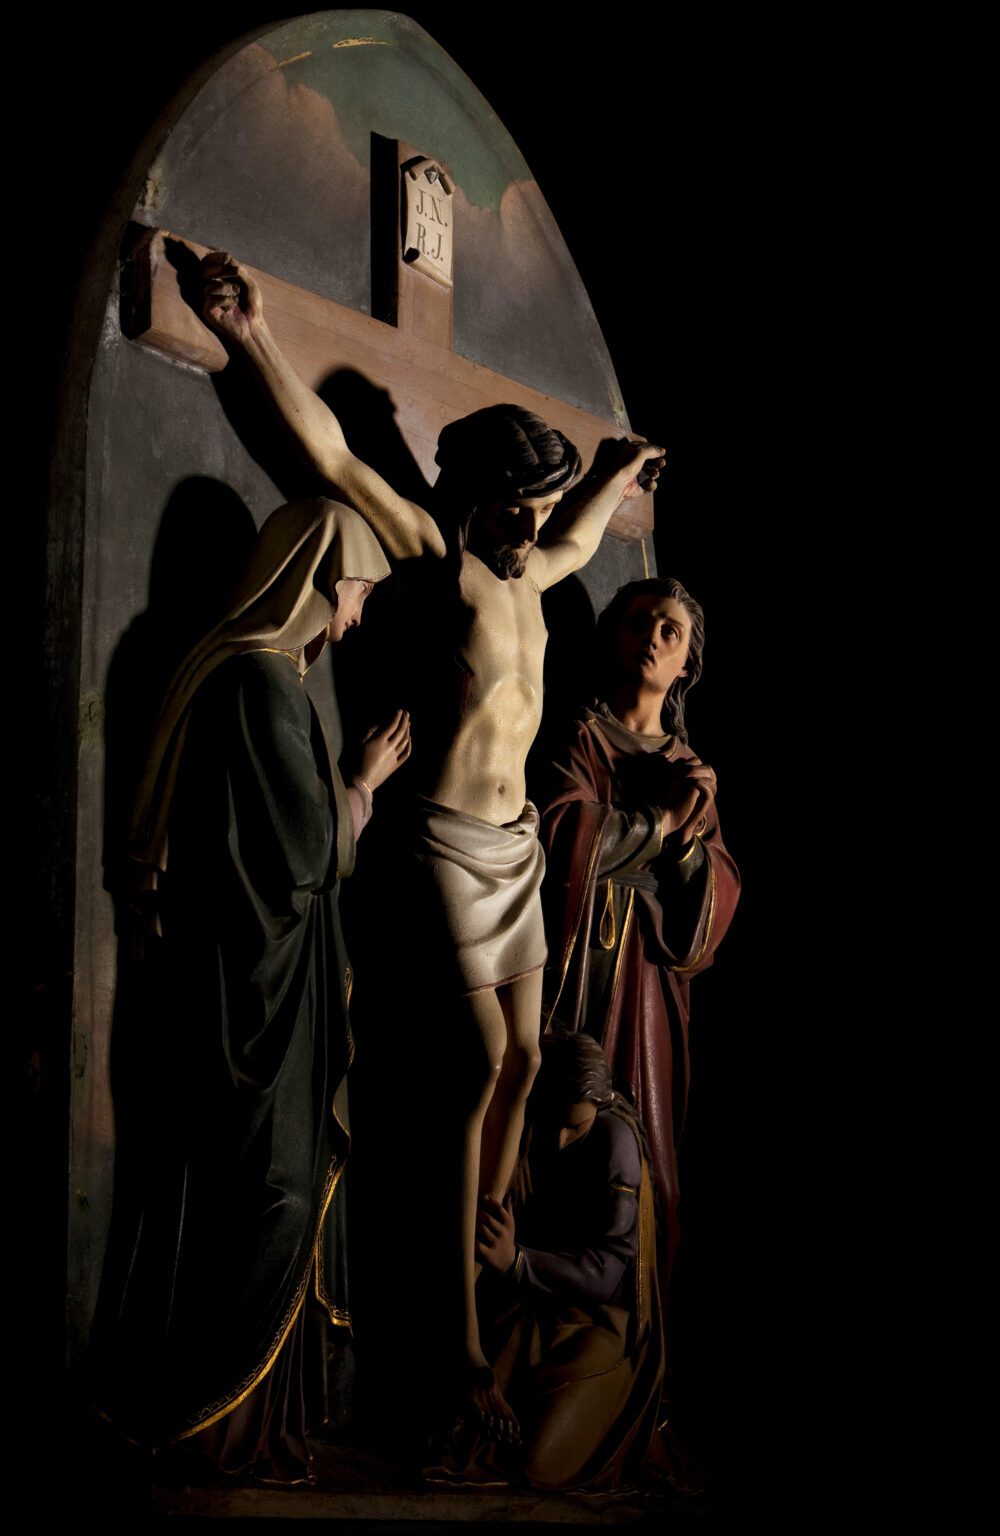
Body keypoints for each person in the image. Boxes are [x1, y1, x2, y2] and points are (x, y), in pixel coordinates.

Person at [198, 252, 665, 1437]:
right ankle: (453, 1341)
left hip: (513, 852)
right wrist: (251, 334)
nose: (531, 524)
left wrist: (611, 475)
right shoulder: (432, 556)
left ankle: (482, 1274)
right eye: (516, 504)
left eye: (539, 505)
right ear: (475, 494)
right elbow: (334, 459)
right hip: (443, 844)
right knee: (475, 1069)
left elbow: (580, 539)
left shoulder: (533, 571)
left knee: (523, 1062)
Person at [96, 498, 410, 1484]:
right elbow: (305, 853)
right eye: (357, 590)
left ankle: (254, 1425)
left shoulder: (264, 680)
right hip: (255, 996)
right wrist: (362, 786)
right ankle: (213, 1421)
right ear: (315, 580)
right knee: (272, 1193)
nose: (358, 612)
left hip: (260, 978)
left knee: (269, 1191)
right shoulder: (262, 685)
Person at [540, 578, 740, 1298]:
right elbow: (557, 834)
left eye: (670, 631)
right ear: (614, 636)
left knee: (645, 1157)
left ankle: (630, 1333)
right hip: (572, 975)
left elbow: (715, 905)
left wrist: (683, 851)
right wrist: (662, 824)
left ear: (687, 664)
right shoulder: (580, 739)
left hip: (646, 993)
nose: (652, 638)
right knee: (550, 1146)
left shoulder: (688, 771)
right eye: (639, 622)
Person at [463, 1030, 663, 1492]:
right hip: (537, 1309)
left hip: (602, 1322)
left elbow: (607, 1271)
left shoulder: (616, 1142)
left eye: (575, 1127)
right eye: (553, 1120)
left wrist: (518, 1262)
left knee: (540, 1460)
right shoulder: (523, 1122)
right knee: (469, 1427)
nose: (558, 1139)